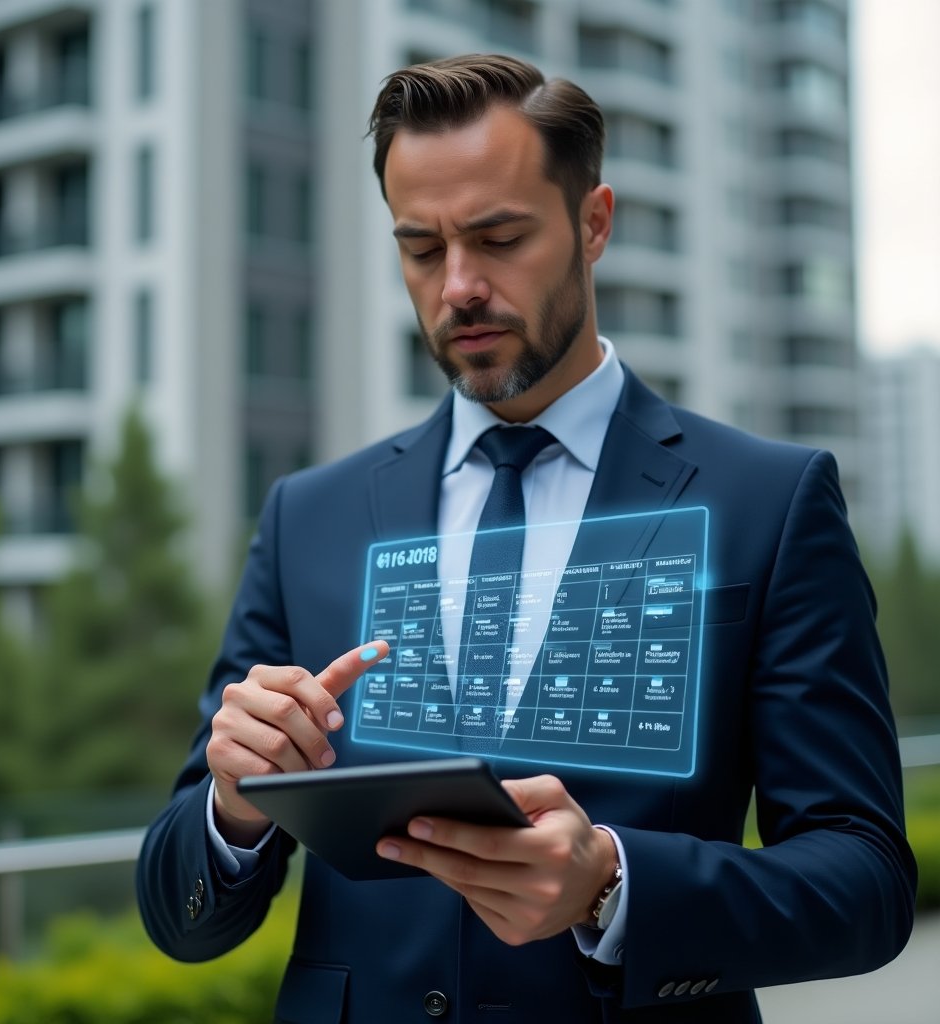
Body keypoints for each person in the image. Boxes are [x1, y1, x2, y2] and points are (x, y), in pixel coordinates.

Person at [137, 54, 916, 1022]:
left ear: (594, 223)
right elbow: (182, 916)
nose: (458, 285)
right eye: (420, 249)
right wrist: (234, 810)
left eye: (498, 237)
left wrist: (614, 889)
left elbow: (865, 881)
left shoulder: (768, 500)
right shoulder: (311, 515)